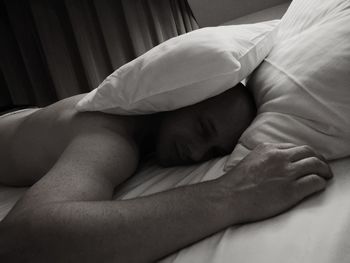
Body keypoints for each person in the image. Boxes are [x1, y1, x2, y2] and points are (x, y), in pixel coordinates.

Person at [0, 83, 332, 262]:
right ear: (180, 100)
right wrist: (233, 192)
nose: (197, 154)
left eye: (214, 151)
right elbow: (23, 238)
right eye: (202, 129)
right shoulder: (108, 137)